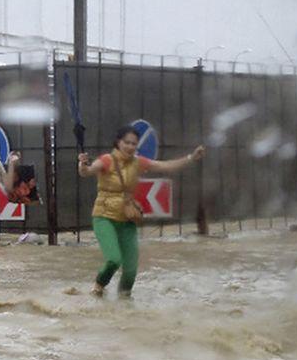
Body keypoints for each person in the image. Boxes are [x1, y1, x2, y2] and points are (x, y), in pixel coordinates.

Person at [78, 126, 205, 298]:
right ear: (118, 142)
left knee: (130, 270)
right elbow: (87, 171)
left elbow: (165, 167)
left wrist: (191, 158)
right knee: (114, 260)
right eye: (127, 142)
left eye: (134, 144)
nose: (130, 146)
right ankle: (99, 286)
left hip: (128, 218)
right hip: (104, 217)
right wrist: (82, 164)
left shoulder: (138, 162)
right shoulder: (106, 160)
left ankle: (125, 304)